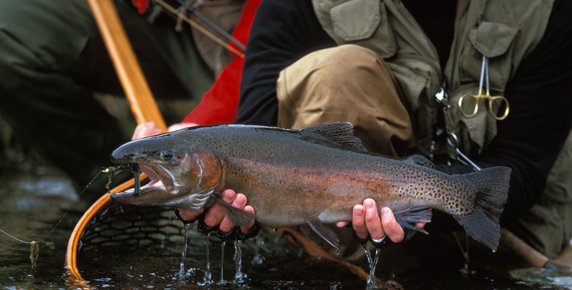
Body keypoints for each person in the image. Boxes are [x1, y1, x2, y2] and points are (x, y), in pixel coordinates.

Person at [175, 0, 572, 263]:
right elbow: (258, 133)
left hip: (506, 240)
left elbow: (520, 168)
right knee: (339, 72)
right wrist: (239, 210)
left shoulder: (548, 11)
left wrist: (415, 203)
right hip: (339, 236)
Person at [0, 0, 244, 199]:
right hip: (149, 15)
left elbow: (270, 51)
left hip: (249, 42)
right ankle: (117, 191)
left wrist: (200, 125)